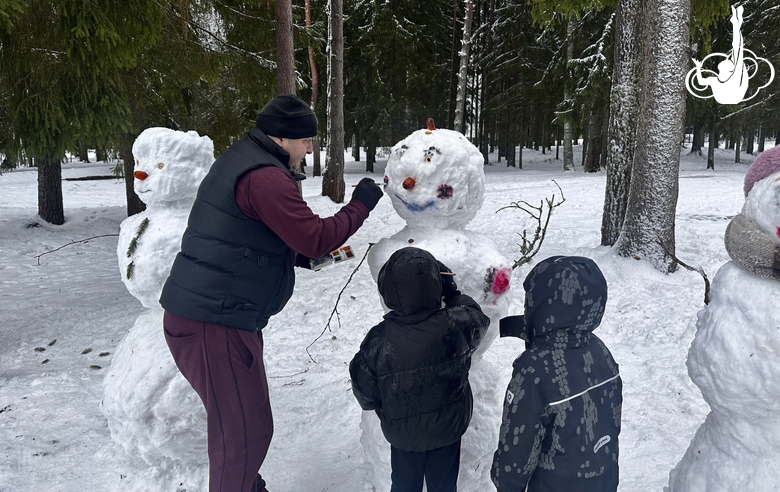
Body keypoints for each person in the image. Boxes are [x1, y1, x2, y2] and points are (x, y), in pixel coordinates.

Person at [159, 93, 384, 492]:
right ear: (282, 138)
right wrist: (360, 206)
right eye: (306, 140)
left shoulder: (245, 159)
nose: (311, 147)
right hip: (215, 322)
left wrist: (287, 257)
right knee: (244, 434)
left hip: (210, 315)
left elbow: (242, 233)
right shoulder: (264, 176)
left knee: (238, 427)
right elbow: (315, 237)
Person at [349, 247, 490, 492]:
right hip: (448, 429)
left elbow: (366, 394)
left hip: (404, 435)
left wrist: (387, 407)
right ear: (437, 287)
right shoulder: (455, 325)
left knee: (404, 485)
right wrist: (452, 291)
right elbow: (478, 318)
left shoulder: (379, 340)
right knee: (444, 484)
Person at [491, 256, 622, 492]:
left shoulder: (534, 370)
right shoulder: (599, 350)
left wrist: (506, 484)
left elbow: (518, 450)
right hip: (603, 479)